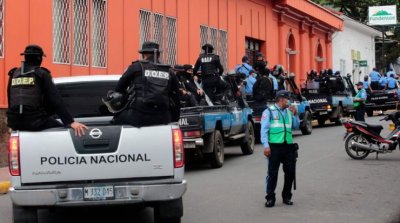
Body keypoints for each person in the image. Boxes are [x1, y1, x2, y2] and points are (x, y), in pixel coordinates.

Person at [7, 44, 87, 136]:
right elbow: (55, 100)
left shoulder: (14, 74)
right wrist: (70, 122)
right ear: (39, 58)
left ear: (25, 57)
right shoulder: (42, 74)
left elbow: (10, 99)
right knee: (62, 130)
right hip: (36, 122)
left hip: (15, 123)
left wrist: (12, 124)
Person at [112, 41, 180, 127]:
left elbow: (119, 89)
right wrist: (174, 119)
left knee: (116, 119)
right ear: (158, 55)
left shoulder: (136, 67)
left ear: (143, 55)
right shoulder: (169, 71)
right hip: (162, 118)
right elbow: (176, 98)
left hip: (139, 117)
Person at [261, 90, 300, 208]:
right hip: (274, 146)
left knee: (290, 172)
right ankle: (270, 198)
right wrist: (266, 146)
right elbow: (264, 130)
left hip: (288, 146)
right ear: (281, 99)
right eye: (287, 99)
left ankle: (287, 196)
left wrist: (296, 114)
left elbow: (296, 126)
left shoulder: (289, 112)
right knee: (272, 173)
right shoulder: (269, 112)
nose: (289, 101)